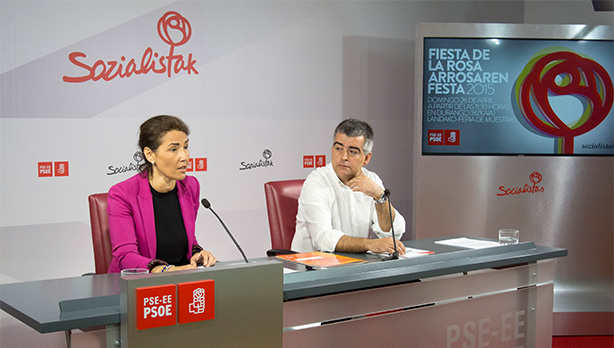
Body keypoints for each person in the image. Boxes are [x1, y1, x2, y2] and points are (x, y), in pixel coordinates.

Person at [107, 115, 217, 273]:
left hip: (182, 280)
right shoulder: (122, 194)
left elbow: (185, 240)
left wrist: (198, 253)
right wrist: (165, 271)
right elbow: (125, 256)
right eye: (174, 149)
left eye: (185, 147)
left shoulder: (191, 186)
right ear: (150, 155)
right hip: (136, 286)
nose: (184, 156)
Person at [291, 118, 406, 255]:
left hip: (354, 265)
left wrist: (380, 196)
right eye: (339, 149)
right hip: (311, 268)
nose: (343, 157)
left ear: (366, 158)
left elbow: (393, 232)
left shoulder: (372, 180)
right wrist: (370, 244)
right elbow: (322, 239)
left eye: (352, 151)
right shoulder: (316, 182)